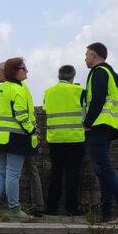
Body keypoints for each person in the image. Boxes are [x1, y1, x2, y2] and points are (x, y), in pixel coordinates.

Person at [82, 43, 118, 226]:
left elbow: (98, 98)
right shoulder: (109, 73)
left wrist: (87, 123)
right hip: (109, 126)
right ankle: (106, 213)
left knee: (104, 168)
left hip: (99, 125)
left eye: (87, 55)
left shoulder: (99, 72)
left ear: (94, 55)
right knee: (102, 170)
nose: (85, 58)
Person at [0, 57, 38, 221]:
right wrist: (33, 130)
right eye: (24, 68)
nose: (26, 71)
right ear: (15, 71)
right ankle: (14, 209)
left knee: (0, 172)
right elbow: (21, 114)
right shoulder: (19, 89)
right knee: (13, 174)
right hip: (15, 137)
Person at [42, 65, 86, 216]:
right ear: (73, 77)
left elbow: (46, 110)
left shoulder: (48, 92)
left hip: (55, 138)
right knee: (72, 174)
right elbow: (85, 112)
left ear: (59, 76)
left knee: (56, 172)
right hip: (75, 137)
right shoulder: (79, 91)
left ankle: (51, 207)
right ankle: (71, 208)